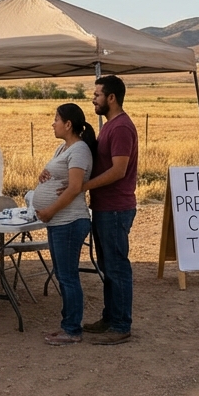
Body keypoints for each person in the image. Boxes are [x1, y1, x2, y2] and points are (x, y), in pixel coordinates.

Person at [31, 103, 96, 346]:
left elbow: (75, 188)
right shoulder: (63, 148)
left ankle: (72, 329)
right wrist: (43, 176)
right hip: (59, 222)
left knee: (68, 277)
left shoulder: (79, 150)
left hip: (69, 221)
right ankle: (67, 325)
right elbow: (59, 177)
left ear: (68, 124)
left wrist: (48, 211)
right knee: (62, 274)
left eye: (56, 119)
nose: (53, 123)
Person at [82, 74, 138, 344]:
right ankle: (110, 317)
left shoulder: (121, 128)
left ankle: (121, 325)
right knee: (108, 266)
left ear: (111, 98)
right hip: (105, 207)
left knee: (116, 267)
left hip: (116, 208)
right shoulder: (108, 126)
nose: (93, 99)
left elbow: (118, 170)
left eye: (97, 94)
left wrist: (84, 185)